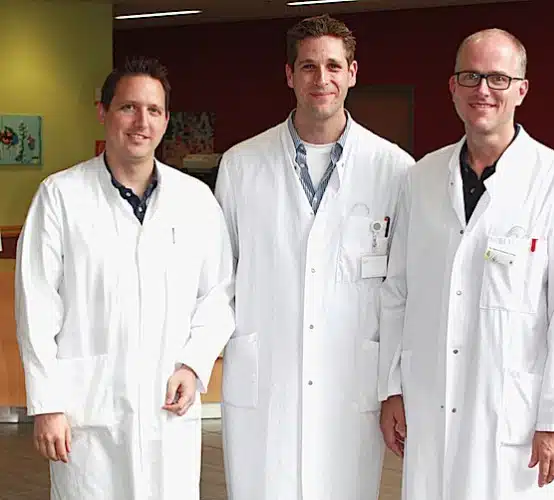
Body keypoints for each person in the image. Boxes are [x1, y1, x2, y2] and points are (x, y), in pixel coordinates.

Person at [378, 28, 554, 500]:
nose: (483, 90)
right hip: (429, 400)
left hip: (512, 416)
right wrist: (392, 387)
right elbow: (397, 291)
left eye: (498, 78)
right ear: (452, 88)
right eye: (471, 76)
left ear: (522, 89)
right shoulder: (420, 179)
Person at [15, 57, 235, 500]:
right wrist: (48, 405)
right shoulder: (61, 197)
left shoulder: (194, 201)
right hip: (89, 413)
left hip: (166, 409)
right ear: (104, 112)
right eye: (128, 108)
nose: (141, 122)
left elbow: (217, 294)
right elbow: (36, 305)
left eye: (154, 111)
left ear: (166, 120)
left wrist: (193, 364)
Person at [215, 13, 414, 500]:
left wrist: (396, 384)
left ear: (352, 72)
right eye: (307, 67)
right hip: (266, 381)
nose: (320, 79)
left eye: (332, 66)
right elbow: (219, 278)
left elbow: (402, 290)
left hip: (351, 380)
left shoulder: (395, 169)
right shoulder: (241, 165)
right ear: (289, 75)